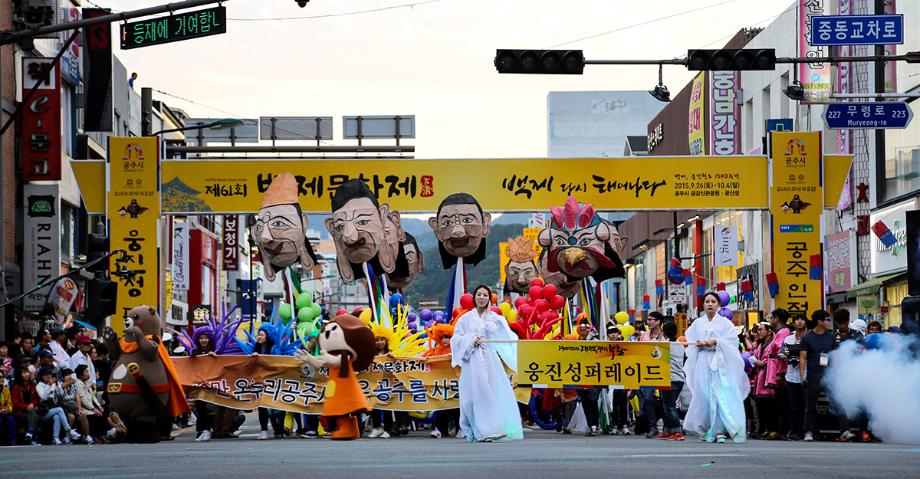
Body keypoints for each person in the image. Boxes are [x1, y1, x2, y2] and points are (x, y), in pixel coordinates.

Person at [450, 285, 522, 442]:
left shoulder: (494, 318)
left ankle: (492, 429)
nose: (481, 298)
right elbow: (455, 339)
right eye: (479, 294)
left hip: (490, 360)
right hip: (472, 361)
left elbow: (506, 336)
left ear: (489, 298)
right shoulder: (464, 319)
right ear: (474, 297)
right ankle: (475, 429)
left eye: (485, 295)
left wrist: (494, 321)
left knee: (492, 392)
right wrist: (470, 340)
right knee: (472, 396)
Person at [683, 292, 749, 443]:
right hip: (703, 362)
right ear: (703, 304)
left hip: (720, 363)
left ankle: (720, 430)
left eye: (713, 301)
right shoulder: (697, 323)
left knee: (720, 396)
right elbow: (690, 340)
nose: (710, 304)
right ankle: (708, 428)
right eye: (707, 301)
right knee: (705, 396)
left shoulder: (725, 323)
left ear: (718, 304)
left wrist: (716, 341)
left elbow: (732, 342)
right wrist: (698, 344)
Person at [799, 310, 850, 442]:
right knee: (811, 406)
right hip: (813, 375)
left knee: (837, 402)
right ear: (819, 321)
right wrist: (802, 376)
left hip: (829, 375)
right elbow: (802, 358)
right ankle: (808, 431)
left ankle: (845, 430)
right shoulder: (807, 338)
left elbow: (835, 355)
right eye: (827, 320)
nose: (829, 322)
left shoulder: (831, 336)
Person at [251, 329, 285, 440]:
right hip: (260, 381)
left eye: (261, 335)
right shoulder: (256, 348)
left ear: (268, 336)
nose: (259, 337)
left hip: (274, 381)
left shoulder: (274, 348)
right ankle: (263, 430)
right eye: (258, 335)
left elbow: (278, 364)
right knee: (261, 405)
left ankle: (279, 429)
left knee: (277, 406)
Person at [35, 366, 82, 445]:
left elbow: (61, 395)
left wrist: (57, 385)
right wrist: (49, 385)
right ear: (41, 376)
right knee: (59, 409)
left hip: (51, 409)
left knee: (56, 417)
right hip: (43, 412)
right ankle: (68, 430)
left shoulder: (53, 384)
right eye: (45, 374)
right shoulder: (39, 385)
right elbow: (44, 397)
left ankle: (55, 438)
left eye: (49, 374)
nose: (48, 376)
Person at [779, 313, 808, 440]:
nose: (800, 322)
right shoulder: (788, 339)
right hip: (791, 374)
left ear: (806, 322)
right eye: (797, 320)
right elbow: (781, 352)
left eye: (802, 320)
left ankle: (807, 430)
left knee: (806, 405)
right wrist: (783, 356)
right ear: (793, 323)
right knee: (793, 405)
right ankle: (794, 430)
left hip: (806, 374)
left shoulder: (809, 337)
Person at [639, 311, 665, 438]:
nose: (648, 322)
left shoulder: (664, 336)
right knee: (648, 399)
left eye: (651, 319)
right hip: (647, 371)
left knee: (665, 400)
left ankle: (668, 427)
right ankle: (652, 427)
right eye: (648, 319)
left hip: (663, 372)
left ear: (658, 321)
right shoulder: (644, 335)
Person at [658, 319, 685, 440]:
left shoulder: (665, 345)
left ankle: (677, 431)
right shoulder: (680, 345)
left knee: (669, 406)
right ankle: (668, 430)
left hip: (670, 379)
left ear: (664, 332)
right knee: (667, 405)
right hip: (679, 379)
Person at [750, 322, 777, 439]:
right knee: (761, 405)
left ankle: (772, 429)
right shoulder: (761, 345)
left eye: (761, 330)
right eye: (758, 330)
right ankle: (764, 429)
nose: (759, 332)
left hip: (769, 376)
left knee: (770, 405)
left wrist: (763, 363)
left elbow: (775, 359)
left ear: (769, 331)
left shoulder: (773, 343)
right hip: (760, 377)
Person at [74, 364, 104, 444]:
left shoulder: (86, 383)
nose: (88, 374)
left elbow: (92, 396)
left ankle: (101, 436)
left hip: (89, 407)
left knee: (103, 412)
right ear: (81, 374)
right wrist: (93, 409)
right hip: (83, 408)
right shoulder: (78, 383)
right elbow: (83, 399)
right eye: (86, 372)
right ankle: (92, 436)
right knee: (97, 415)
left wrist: (99, 406)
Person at [11, 368, 40, 444]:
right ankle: (34, 438)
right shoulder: (16, 387)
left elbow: (36, 399)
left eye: (28, 372)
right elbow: (15, 403)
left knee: (34, 414)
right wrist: (27, 406)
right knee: (35, 415)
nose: (27, 374)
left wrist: (33, 404)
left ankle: (29, 435)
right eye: (24, 373)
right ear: (20, 375)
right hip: (20, 412)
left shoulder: (32, 385)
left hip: (31, 411)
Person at [0, 375, 15, 445]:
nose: (1, 379)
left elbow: (10, 403)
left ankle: (12, 440)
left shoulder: (6, 389)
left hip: (4, 412)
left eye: (2, 377)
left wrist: (8, 409)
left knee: (10, 419)